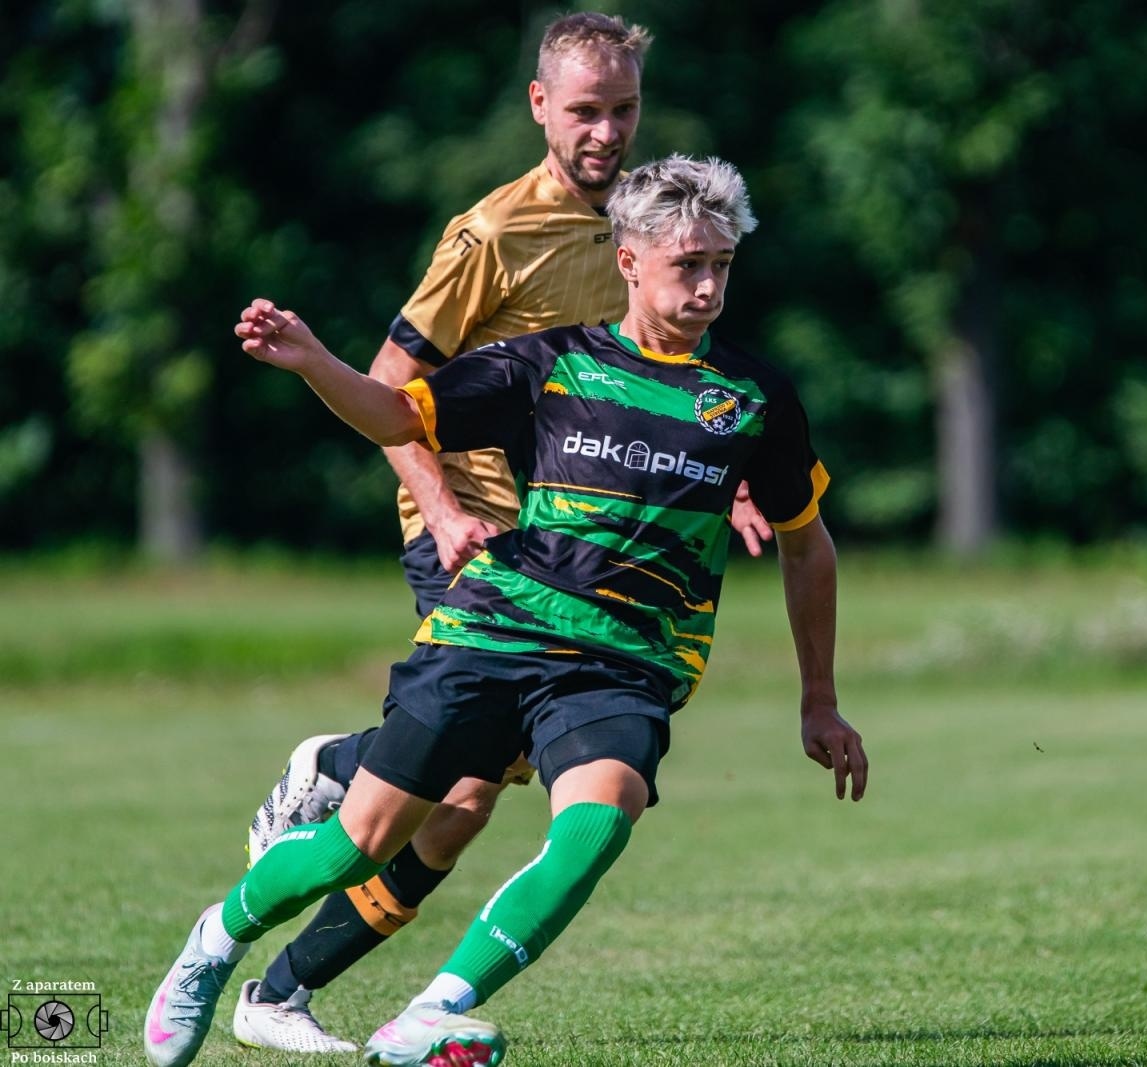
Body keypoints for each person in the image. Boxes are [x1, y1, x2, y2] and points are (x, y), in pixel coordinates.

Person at [144, 155, 867, 1067]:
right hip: (494, 631)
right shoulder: (552, 363)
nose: (710, 284)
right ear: (631, 260)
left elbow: (807, 541)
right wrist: (314, 362)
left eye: (723, 263)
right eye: (690, 263)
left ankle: (431, 1012)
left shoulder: (755, 399)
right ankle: (216, 939)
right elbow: (396, 415)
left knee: (602, 819)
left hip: (626, 664)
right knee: (354, 845)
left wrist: (819, 697)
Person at [224, 13, 769, 1055]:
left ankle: (281, 982)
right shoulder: (492, 235)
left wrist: (725, 482)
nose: (607, 132)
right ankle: (333, 796)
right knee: (463, 788)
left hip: (575, 538)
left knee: (464, 804)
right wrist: (440, 505)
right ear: (537, 106)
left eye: (624, 109)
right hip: (476, 527)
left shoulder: (655, 219)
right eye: (584, 111)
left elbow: (664, 376)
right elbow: (392, 386)